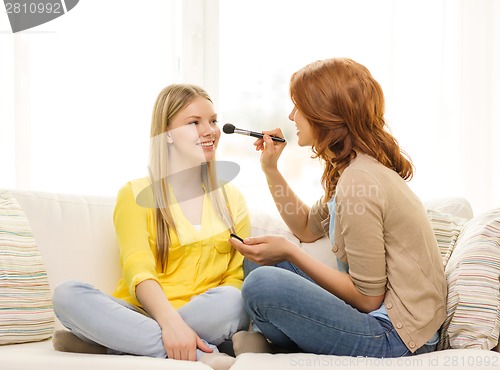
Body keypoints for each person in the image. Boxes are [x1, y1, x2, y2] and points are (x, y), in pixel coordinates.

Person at [229, 58, 447, 358]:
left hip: (397, 336)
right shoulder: (353, 171)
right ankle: (289, 344)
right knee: (260, 263)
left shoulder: (359, 184)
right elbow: (305, 228)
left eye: (298, 108)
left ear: (324, 115)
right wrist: (270, 168)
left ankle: (284, 347)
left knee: (262, 285)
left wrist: (290, 251)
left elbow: (369, 299)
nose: (291, 116)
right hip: (379, 316)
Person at [52, 84, 251, 370]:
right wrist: (169, 324)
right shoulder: (135, 193)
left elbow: (234, 278)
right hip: (143, 312)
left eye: (213, 121)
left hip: (207, 311)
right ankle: (200, 353)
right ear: (166, 134)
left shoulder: (232, 199)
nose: (210, 131)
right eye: (194, 122)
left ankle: (113, 343)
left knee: (233, 300)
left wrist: (176, 325)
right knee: (67, 295)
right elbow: (138, 268)